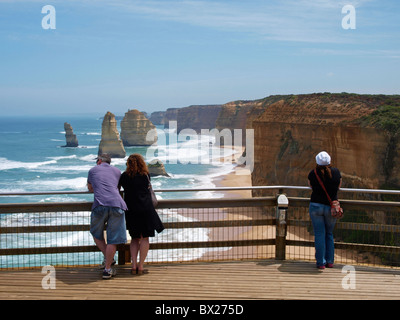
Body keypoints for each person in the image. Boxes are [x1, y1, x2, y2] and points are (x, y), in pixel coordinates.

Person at [119, 154, 165, 275]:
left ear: (128, 164)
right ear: (141, 163)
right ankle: (140, 266)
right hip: (146, 209)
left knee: (134, 239)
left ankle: (133, 265)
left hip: (131, 210)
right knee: (145, 238)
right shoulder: (145, 175)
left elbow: (118, 189)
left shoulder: (124, 176)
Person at [87, 153, 127, 279]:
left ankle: (108, 259)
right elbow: (118, 187)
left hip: (100, 204)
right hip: (117, 204)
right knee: (113, 238)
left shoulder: (93, 170)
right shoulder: (117, 171)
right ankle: (108, 268)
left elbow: (90, 188)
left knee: (95, 232)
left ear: (99, 161)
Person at [307, 151, 342, 269]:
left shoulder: (313, 173)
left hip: (316, 206)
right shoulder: (336, 172)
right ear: (329, 161)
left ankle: (321, 263)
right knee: (329, 234)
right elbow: (339, 186)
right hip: (331, 208)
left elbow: (310, 186)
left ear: (317, 162)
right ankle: (330, 261)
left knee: (319, 234)